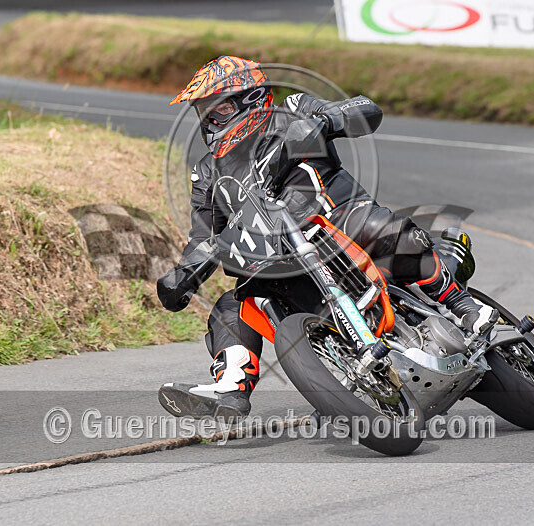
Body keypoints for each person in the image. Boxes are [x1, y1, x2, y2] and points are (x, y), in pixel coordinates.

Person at [156, 56, 497, 419]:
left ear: (251, 98)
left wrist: (325, 120)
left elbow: (365, 109)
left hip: (338, 221)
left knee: (374, 225)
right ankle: (231, 388)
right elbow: (203, 236)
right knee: (230, 306)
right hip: (275, 260)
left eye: (219, 109)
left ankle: (464, 305)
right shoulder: (208, 171)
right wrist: (183, 275)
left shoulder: (291, 110)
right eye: (204, 112)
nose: (209, 120)